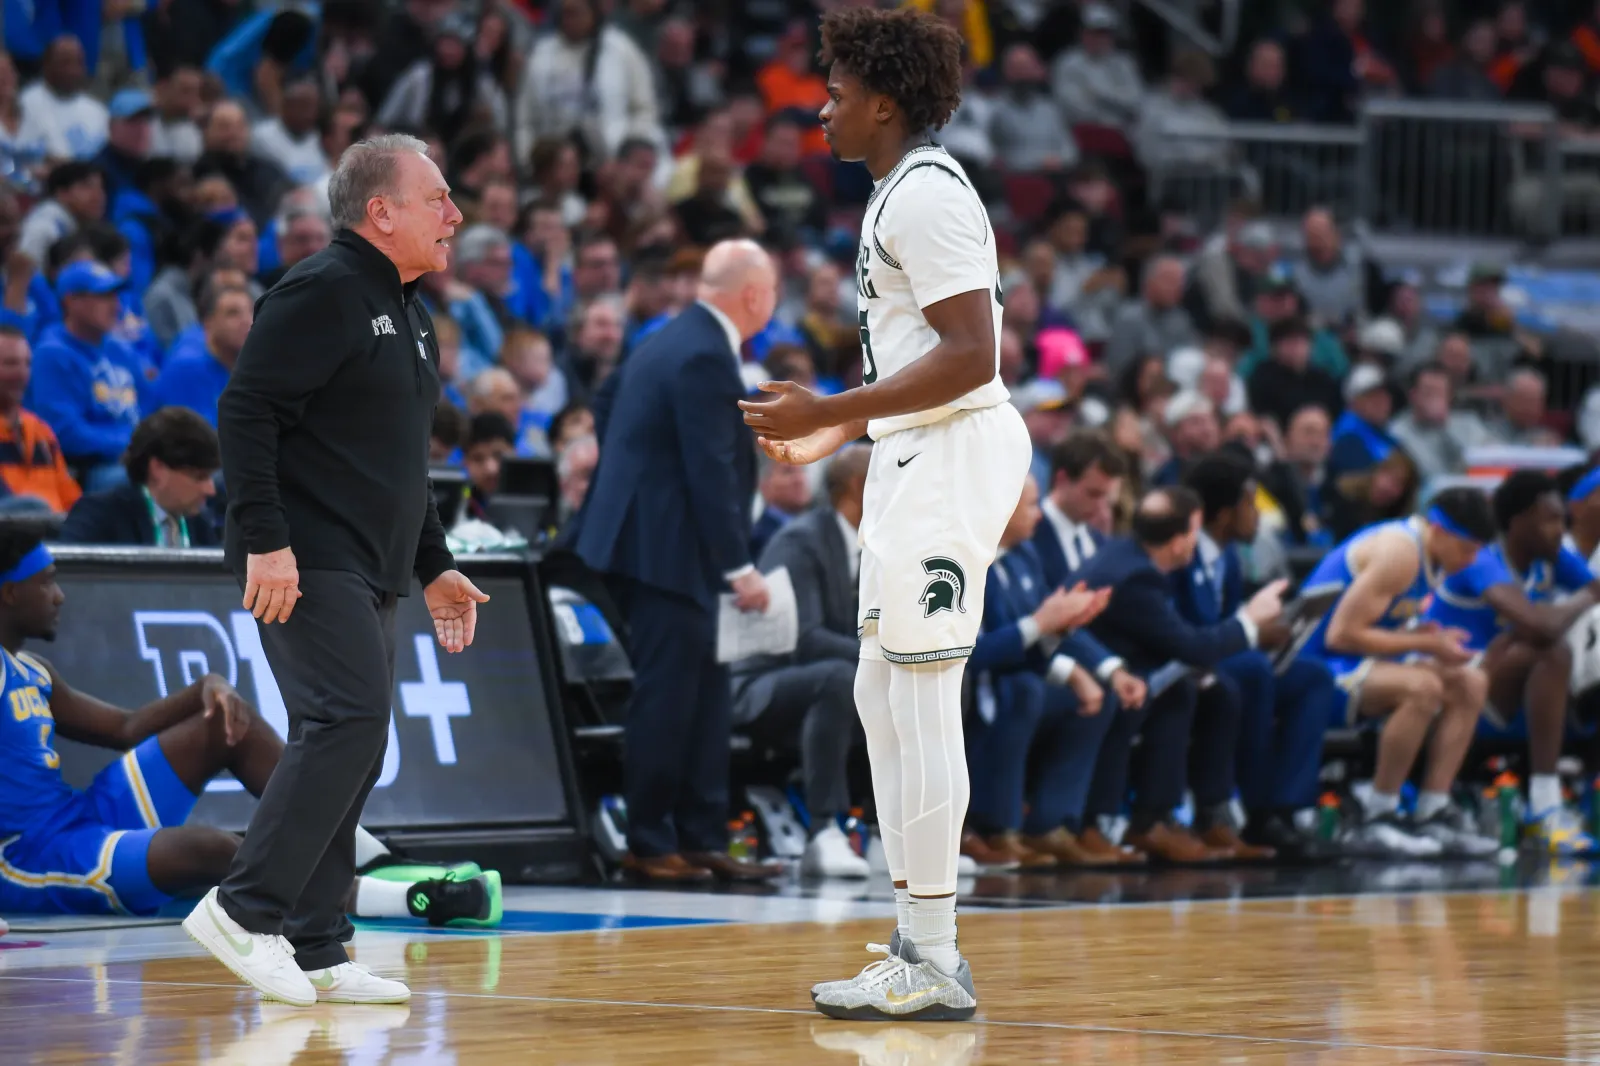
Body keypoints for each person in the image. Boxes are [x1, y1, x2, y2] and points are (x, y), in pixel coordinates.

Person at [739, 8, 1031, 1022]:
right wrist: (846, 430)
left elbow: (973, 356)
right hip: (915, 451)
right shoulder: (897, 192)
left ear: (885, 102)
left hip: (952, 452)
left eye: (835, 93)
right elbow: (921, 358)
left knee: (922, 698)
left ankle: (935, 955)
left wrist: (832, 409)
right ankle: (915, 941)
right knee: (880, 695)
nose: (821, 111)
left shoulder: (928, 195)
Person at [187, 134, 491, 1009]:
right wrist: (265, 540)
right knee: (345, 720)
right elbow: (246, 411)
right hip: (303, 555)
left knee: (356, 741)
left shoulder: (414, 313)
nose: (455, 215)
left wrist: (435, 565)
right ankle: (242, 912)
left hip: (371, 563)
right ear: (381, 212)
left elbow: (401, 464)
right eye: (437, 198)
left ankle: (317, 944)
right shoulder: (321, 289)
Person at [0, 524, 500, 927]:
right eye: (45, 582)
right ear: (8, 593)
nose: (59, 595)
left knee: (225, 721)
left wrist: (206, 687)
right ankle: (397, 898)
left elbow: (126, 728)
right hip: (29, 855)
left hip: (79, 815)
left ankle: (364, 852)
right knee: (211, 846)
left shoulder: (34, 671)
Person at [573, 238, 781, 886]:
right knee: (668, 695)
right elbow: (709, 469)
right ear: (754, 295)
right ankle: (650, 839)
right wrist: (739, 567)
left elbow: (607, 402)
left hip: (663, 542)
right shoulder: (702, 352)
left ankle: (701, 835)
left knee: (706, 692)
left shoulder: (669, 337)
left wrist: (631, 469)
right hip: (663, 549)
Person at [1073, 487, 1288, 862]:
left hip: (1124, 670)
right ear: (1178, 542)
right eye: (1194, 533)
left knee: (1211, 692)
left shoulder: (1131, 557)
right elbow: (1192, 646)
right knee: (1169, 694)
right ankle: (1113, 822)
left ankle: (1197, 815)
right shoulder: (1137, 577)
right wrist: (1249, 620)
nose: (1196, 542)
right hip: (1093, 676)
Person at [1296, 487, 1498, 858]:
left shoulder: (1434, 554)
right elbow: (1340, 635)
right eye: (1467, 549)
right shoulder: (1400, 552)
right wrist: (1424, 644)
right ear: (1439, 530)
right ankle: (1379, 813)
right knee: (1421, 686)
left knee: (1471, 682)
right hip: (1314, 668)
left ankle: (1433, 809)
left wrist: (1421, 635)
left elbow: (1377, 625)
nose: (1471, 561)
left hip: (1353, 661)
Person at [966, 474, 1144, 869]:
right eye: (1031, 505)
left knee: (1094, 700)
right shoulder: (968, 559)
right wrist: (1046, 630)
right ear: (1002, 507)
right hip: (976, 684)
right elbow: (974, 652)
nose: (1039, 515)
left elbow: (1044, 626)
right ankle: (996, 827)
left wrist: (1078, 642)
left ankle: (1052, 823)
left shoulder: (1025, 554)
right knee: (1025, 690)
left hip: (1018, 674)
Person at [1424, 471, 1600, 854]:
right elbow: (1540, 626)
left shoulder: (1550, 557)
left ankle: (1572, 796)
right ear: (1518, 522)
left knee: (1559, 655)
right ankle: (1545, 805)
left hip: (1499, 687)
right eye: (1550, 520)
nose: (1560, 530)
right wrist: (1585, 598)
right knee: (1551, 651)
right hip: (1449, 690)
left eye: (1562, 520)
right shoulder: (1481, 560)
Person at [1178, 452, 1340, 858]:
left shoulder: (1228, 556)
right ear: (1223, 515)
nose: (1258, 516)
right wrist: (1251, 635)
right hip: (1189, 666)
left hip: (1227, 659)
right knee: (1253, 670)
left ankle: (1287, 807)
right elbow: (1187, 634)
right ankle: (1257, 810)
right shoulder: (1182, 553)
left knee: (1312, 677)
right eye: (1250, 504)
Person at [732, 444, 874, 880]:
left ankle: (886, 833)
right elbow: (804, 639)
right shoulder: (802, 541)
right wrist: (883, 657)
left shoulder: (879, 544)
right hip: (762, 682)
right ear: (859, 487)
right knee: (840, 677)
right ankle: (823, 830)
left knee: (928, 678)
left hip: (831, 676)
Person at [58, 407, 222, 546]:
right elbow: (69, 570)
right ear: (158, 468)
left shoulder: (199, 525)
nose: (210, 490)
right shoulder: (100, 515)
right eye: (199, 477)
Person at [0, 325, 81, 514]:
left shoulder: (41, 431)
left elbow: (72, 500)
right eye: (10, 364)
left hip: (56, 530)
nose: (22, 373)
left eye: (27, 364)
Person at [150, 284, 254, 427]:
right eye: (232, 313)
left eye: (251, 311)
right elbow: (194, 436)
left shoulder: (248, 362)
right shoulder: (187, 367)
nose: (247, 321)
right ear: (208, 323)